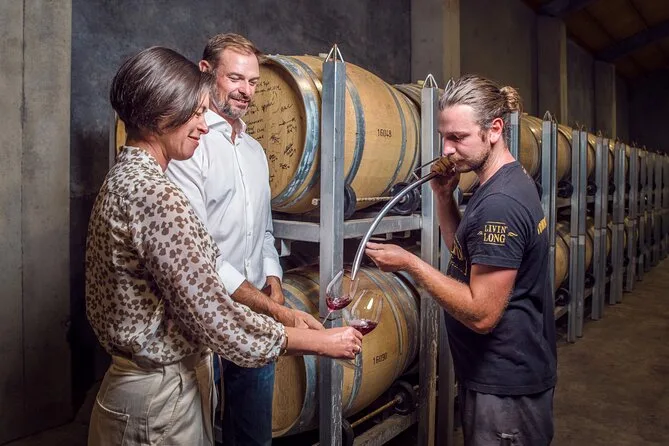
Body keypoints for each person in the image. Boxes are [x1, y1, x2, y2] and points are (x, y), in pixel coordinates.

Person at [86, 46, 362, 446]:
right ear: (161, 116)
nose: (203, 126)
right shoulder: (154, 195)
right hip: (158, 397)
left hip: (151, 387)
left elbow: (206, 259)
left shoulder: (128, 177)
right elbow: (211, 311)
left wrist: (278, 305)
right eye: (195, 113)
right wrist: (317, 341)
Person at [365, 75, 557, 446]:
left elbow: (482, 314)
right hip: (499, 373)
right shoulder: (502, 181)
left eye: (458, 137)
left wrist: (411, 264)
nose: (447, 150)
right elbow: (469, 255)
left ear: (494, 130)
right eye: (444, 137)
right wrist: (443, 198)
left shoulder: (501, 204)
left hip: (505, 385)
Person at [165, 33, 305, 446]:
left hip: (254, 309)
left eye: (254, 82)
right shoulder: (188, 145)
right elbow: (196, 251)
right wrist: (267, 305)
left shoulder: (254, 151)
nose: (247, 91)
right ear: (205, 72)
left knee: (253, 434)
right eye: (236, 79)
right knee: (198, 431)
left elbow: (264, 230)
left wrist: (273, 280)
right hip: (203, 313)